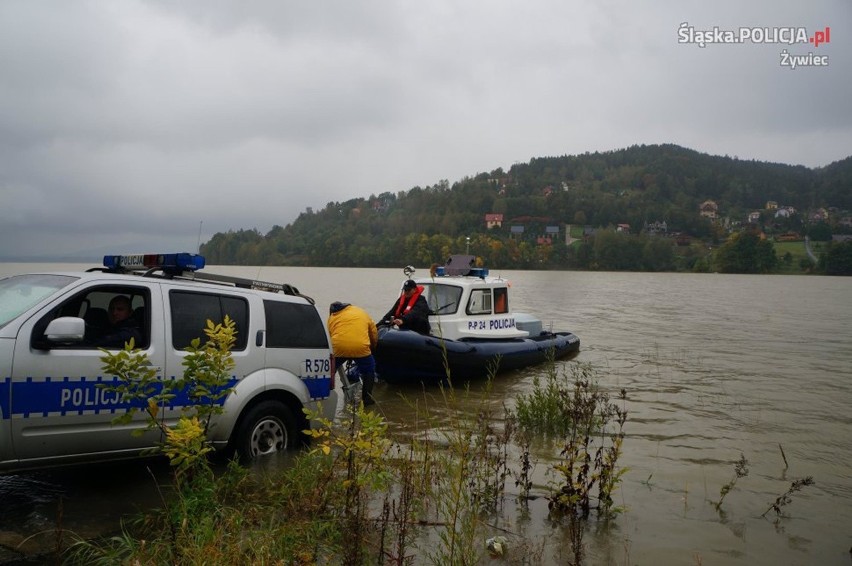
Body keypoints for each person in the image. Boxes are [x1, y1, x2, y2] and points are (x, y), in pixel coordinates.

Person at [327, 301, 379, 406]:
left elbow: (330, 335)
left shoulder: (331, 318)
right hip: (360, 347)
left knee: (330, 371)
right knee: (369, 370)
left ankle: (326, 395)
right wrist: (373, 346)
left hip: (338, 347)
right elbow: (373, 332)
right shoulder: (361, 312)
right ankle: (367, 399)